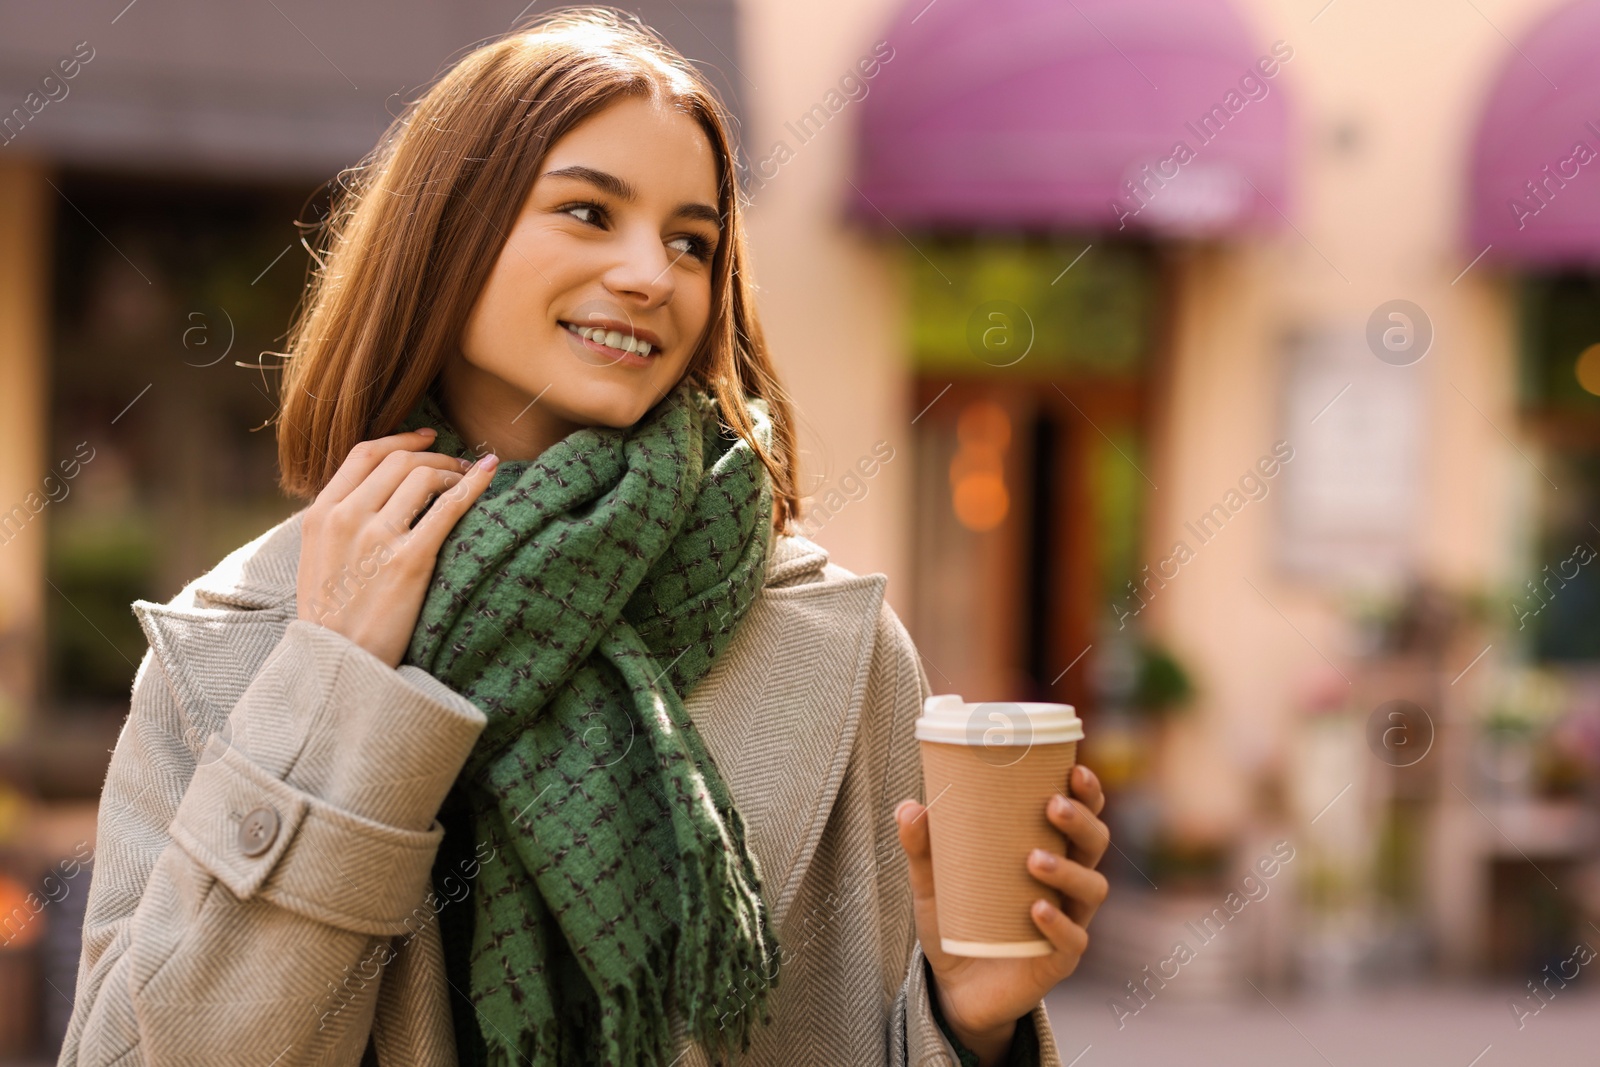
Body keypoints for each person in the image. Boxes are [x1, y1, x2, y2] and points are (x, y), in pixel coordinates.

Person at [58, 9, 1110, 1066]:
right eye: (587, 211)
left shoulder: (837, 647)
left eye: (690, 240)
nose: (652, 274)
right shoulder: (235, 639)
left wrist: (971, 1023)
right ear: (446, 236)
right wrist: (335, 686)